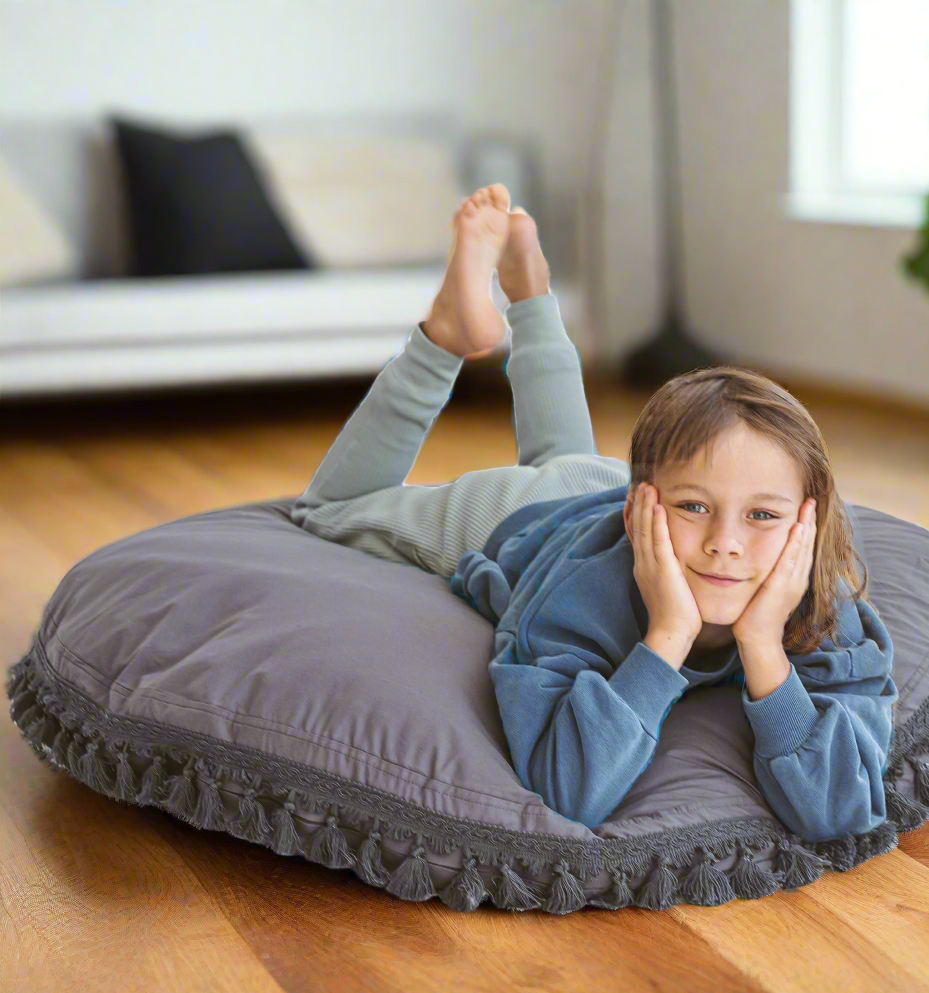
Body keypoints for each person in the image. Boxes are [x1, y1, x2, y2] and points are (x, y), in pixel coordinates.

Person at [291, 184, 898, 840]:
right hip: (528, 513)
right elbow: (569, 790)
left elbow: (841, 810)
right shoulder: (579, 600)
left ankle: (529, 288)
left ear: (809, 522)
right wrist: (668, 636)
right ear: (645, 508)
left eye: (762, 516)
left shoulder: (824, 605)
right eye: (696, 507)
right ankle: (445, 335)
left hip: (608, 483)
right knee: (328, 509)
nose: (725, 542)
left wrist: (762, 646)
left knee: (565, 453)